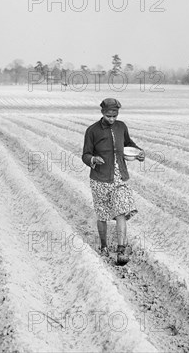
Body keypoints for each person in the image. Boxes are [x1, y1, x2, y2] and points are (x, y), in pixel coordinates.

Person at [82, 98, 145, 266]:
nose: (112, 119)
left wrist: (139, 152)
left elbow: (128, 144)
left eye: (114, 115)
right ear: (102, 113)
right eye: (109, 115)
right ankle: (103, 245)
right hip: (100, 179)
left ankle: (121, 248)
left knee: (121, 211)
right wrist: (93, 159)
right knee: (102, 214)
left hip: (119, 178)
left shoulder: (121, 127)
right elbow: (85, 155)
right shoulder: (92, 131)